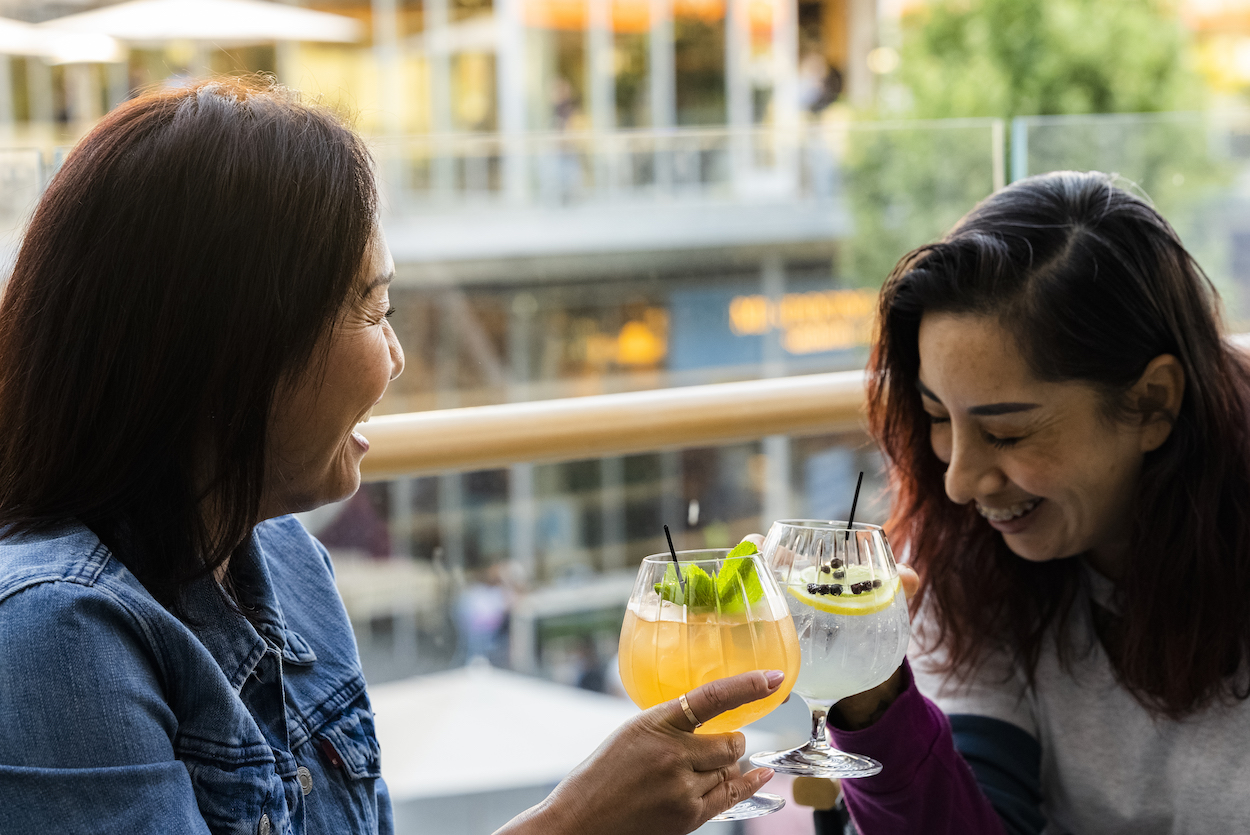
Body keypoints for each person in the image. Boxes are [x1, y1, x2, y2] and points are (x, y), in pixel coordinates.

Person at [0, 78, 783, 834]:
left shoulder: (288, 564)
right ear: (238, 348)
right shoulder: (53, 636)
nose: (398, 355)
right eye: (374, 306)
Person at [815, 171, 1250, 834]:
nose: (959, 480)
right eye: (937, 417)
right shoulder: (970, 558)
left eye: (1007, 432)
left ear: (1153, 402)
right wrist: (873, 701)